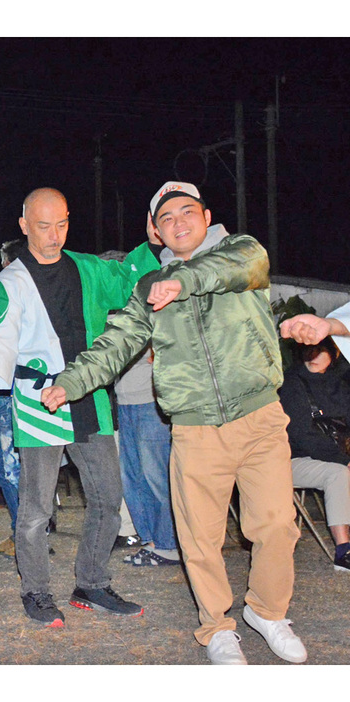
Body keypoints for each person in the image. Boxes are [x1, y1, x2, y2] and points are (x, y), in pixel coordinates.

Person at [41, 181, 306, 664]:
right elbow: (116, 342)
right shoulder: (147, 288)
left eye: (187, 212)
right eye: (167, 218)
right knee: (199, 536)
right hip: (194, 425)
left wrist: (183, 280)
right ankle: (217, 627)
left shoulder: (240, 252)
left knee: (276, 524)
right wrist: (71, 382)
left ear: (206, 216)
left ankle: (267, 611)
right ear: (156, 232)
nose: (179, 221)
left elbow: (237, 267)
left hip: (259, 415)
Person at [0, 188, 157, 628]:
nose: (54, 235)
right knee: (36, 510)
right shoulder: (9, 282)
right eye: (44, 226)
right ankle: (36, 591)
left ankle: (91, 582)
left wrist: (154, 244)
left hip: (88, 397)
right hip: (38, 403)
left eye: (62, 224)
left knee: (109, 498)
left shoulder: (86, 268)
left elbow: (129, 277)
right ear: (24, 224)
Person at [278, 336, 350, 572]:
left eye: (320, 350)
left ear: (334, 353)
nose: (315, 356)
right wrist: (344, 460)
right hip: (293, 458)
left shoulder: (340, 380)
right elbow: (301, 435)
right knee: (338, 473)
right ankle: (344, 551)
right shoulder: (291, 383)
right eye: (310, 350)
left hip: (335, 452)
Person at [114, 347, 179, 566]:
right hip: (124, 401)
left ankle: (168, 543)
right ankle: (151, 539)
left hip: (150, 400)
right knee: (132, 477)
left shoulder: (147, 314)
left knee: (156, 476)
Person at [0, 239, 27, 558]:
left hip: (8, 392)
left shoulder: (11, 290)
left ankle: (23, 536)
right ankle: (29, 531)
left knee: (7, 468)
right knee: (16, 467)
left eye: (4, 262)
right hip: (12, 390)